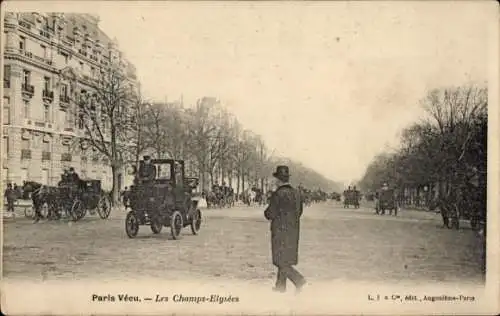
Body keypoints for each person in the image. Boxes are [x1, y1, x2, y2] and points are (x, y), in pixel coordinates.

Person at [264, 165, 306, 293]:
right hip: (293, 231)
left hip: (279, 232)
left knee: (279, 260)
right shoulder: (297, 193)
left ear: (278, 180)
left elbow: (269, 214)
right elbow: (300, 212)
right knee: (286, 258)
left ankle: (299, 280)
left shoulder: (278, 194)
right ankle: (280, 286)